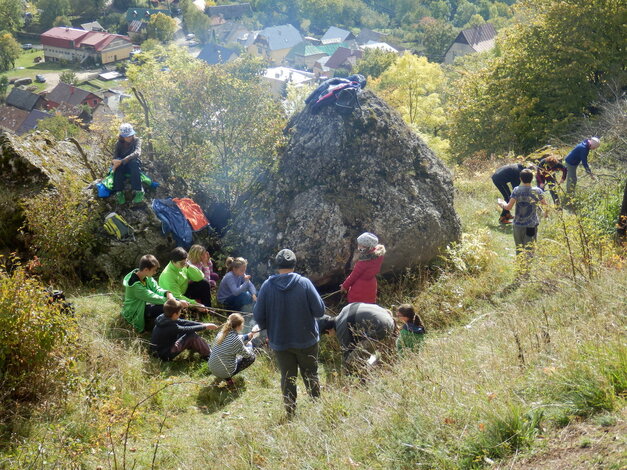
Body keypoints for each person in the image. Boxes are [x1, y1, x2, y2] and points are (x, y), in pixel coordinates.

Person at [253, 249, 325, 417]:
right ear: (294, 264)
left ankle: (290, 412)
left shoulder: (267, 286)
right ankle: (317, 407)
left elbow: (258, 316)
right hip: (307, 339)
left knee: (287, 377)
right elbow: (320, 311)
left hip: (280, 341)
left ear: (277, 266)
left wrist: (267, 326)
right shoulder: (304, 283)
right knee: (311, 374)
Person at [317, 303, 395, 374]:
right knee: (363, 351)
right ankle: (381, 364)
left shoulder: (342, 330)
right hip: (387, 315)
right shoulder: (345, 309)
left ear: (328, 331)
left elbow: (347, 355)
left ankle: (368, 377)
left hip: (383, 327)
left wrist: (344, 373)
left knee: (351, 362)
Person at [121, 254, 188, 332]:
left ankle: (174, 325)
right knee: (167, 308)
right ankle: (172, 327)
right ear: (146, 270)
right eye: (154, 270)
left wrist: (167, 293)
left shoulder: (145, 277)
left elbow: (157, 289)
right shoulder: (135, 286)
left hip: (144, 304)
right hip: (136, 310)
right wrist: (177, 302)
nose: (155, 272)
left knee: (170, 306)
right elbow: (153, 297)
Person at [498, 168, 548, 257]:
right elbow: (545, 205)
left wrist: (501, 203)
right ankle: (527, 269)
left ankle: (520, 269)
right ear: (532, 178)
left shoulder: (516, 190)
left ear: (520, 179)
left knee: (519, 250)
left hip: (518, 225)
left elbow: (509, 207)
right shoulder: (537, 191)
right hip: (531, 225)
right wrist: (545, 214)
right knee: (530, 250)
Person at [150, 299, 218, 361]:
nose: (180, 313)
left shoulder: (163, 317)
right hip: (164, 354)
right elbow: (186, 329)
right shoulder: (171, 327)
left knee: (188, 333)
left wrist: (202, 324)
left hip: (159, 350)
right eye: (180, 311)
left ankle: (202, 347)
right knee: (191, 336)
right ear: (175, 314)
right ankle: (209, 355)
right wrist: (205, 327)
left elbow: (183, 322)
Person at [208, 313, 257, 385]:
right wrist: (250, 346)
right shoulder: (236, 340)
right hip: (225, 372)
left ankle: (224, 376)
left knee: (231, 356)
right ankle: (227, 377)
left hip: (212, 368)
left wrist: (247, 336)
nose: (243, 326)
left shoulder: (221, 333)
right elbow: (247, 355)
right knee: (252, 357)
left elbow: (237, 338)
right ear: (238, 326)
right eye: (242, 324)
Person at [340, 232, 386, 304]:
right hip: (371, 285)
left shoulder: (363, 262)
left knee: (356, 307)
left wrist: (344, 286)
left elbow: (353, 275)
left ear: (368, 247)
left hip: (359, 289)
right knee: (368, 305)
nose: (359, 247)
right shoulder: (378, 255)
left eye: (361, 246)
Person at [112, 123, 143, 205]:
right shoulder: (118, 144)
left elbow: (137, 152)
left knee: (134, 163)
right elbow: (115, 156)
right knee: (118, 168)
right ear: (122, 136)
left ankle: (138, 191)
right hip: (122, 164)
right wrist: (116, 162)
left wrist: (124, 160)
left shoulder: (137, 140)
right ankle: (119, 192)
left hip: (132, 162)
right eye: (127, 136)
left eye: (130, 135)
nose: (129, 137)